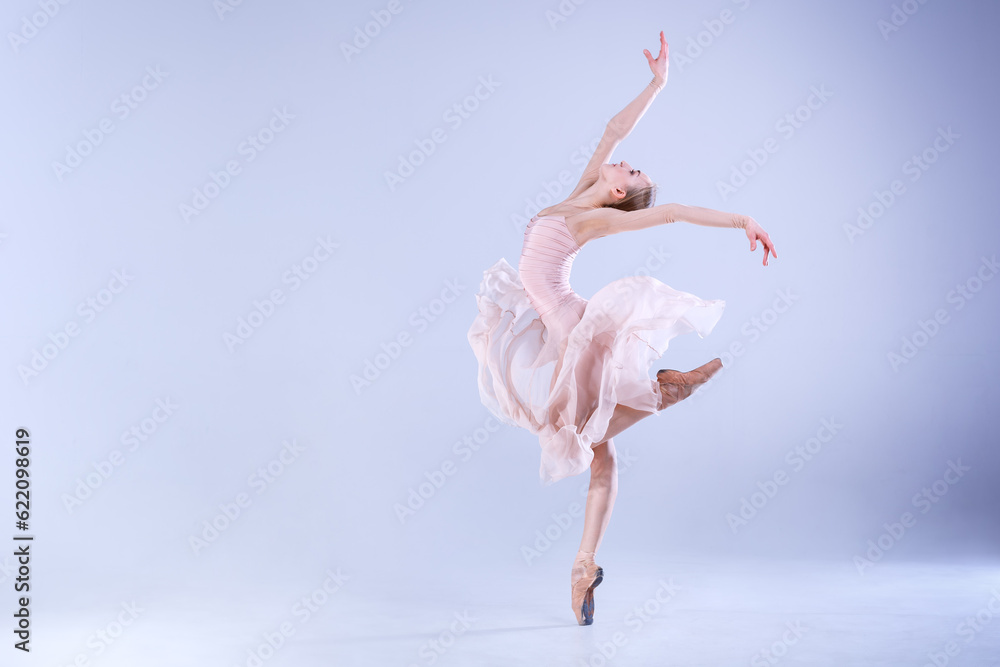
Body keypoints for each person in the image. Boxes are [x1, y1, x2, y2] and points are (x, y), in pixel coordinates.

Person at [466, 31, 777, 626]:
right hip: (558, 321)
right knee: (601, 456)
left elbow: (673, 212)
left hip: (568, 328)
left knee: (584, 429)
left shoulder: (596, 220)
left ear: (617, 193)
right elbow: (614, 130)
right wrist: (657, 85)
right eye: (632, 167)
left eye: (629, 172)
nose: (626, 162)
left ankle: (662, 389)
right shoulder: (580, 196)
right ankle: (584, 568)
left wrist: (742, 220)